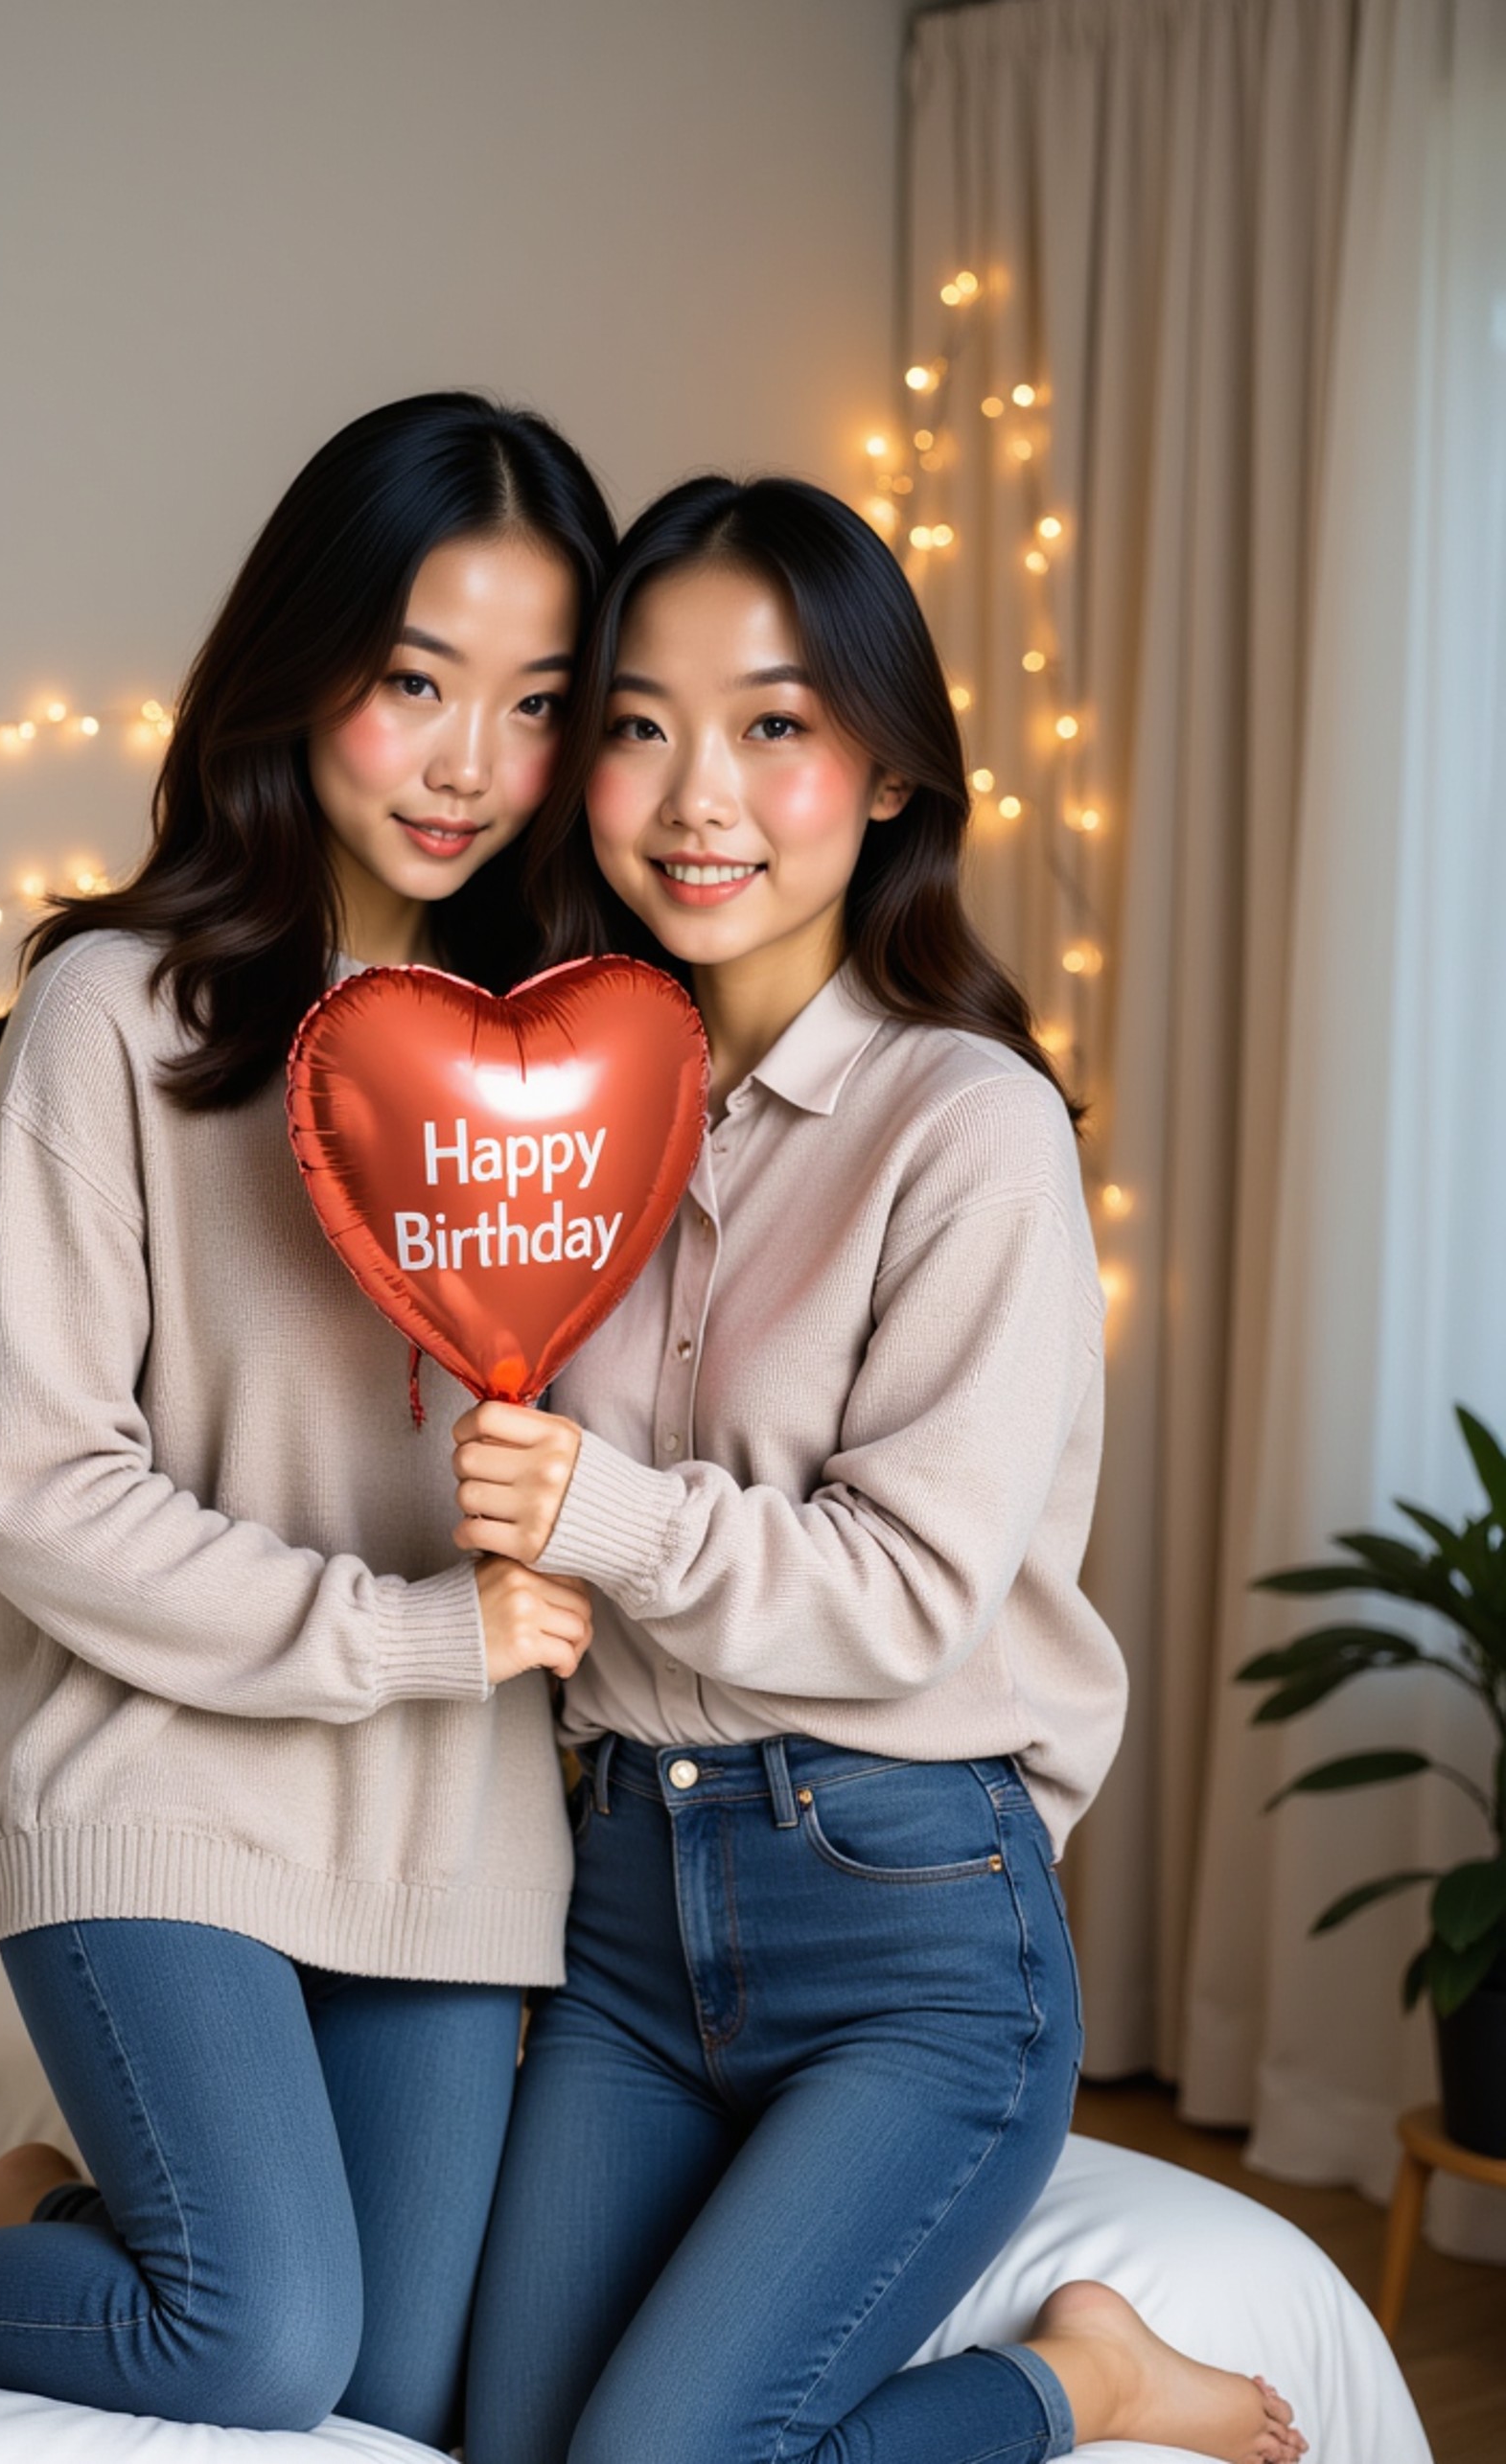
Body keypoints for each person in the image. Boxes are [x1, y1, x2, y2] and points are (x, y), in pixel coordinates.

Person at [0, 392, 614, 2450]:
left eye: (530, 704)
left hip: (445, 1817)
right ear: (300, 658)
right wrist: (422, 1632)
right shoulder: (121, 1008)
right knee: (258, 2342)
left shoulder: (591, 1060)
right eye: (414, 678)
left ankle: (45, 2215)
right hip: (160, 1790)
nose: (464, 764)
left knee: (411, 2385)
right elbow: (45, 1493)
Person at [452, 475, 1308, 2464]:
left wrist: (595, 1505)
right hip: (625, 1916)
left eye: (772, 723)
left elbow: (912, 1588)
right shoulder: (562, 1113)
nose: (695, 794)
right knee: (492, 2443)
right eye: (638, 723)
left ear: (891, 768)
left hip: (908, 1919)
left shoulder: (967, 1120)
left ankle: (1076, 2375)